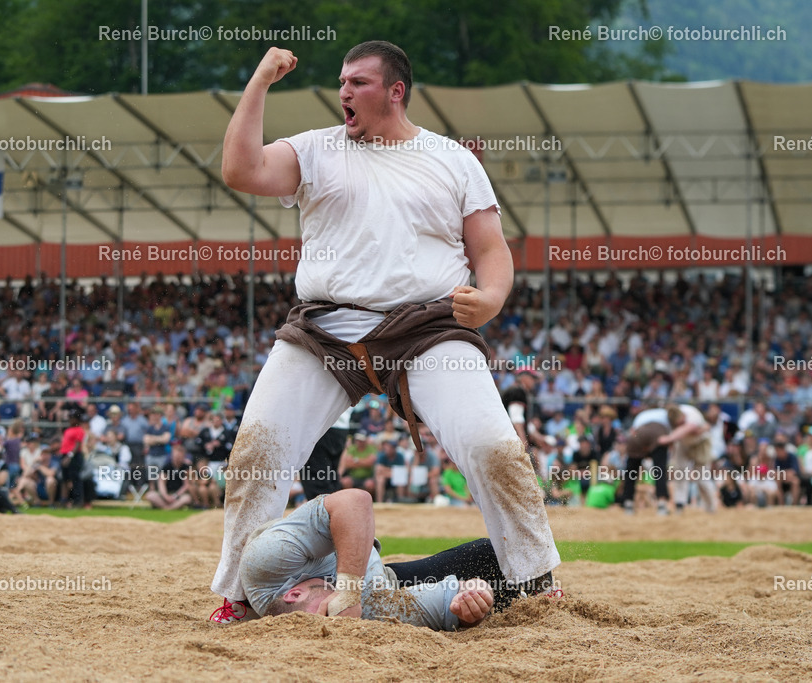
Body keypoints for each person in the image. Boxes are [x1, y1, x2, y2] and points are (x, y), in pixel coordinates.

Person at [211, 41, 560, 620]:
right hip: (324, 329)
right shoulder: (315, 149)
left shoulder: (452, 159)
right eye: (342, 82)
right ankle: (239, 596)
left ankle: (537, 583)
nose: (344, 91)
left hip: (427, 326)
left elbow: (492, 250)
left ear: (395, 91)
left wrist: (492, 298)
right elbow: (239, 170)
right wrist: (261, 82)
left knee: (490, 444)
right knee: (258, 449)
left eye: (359, 82)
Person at [226, 489, 538, 630]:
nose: (337, 622)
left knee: (499, 554)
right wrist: (472, 603)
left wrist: (346, 593)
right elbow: (455, 602)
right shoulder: (369, 614)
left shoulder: (265, 564)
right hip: (382, 584)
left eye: (324, 612)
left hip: (344, 562)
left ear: (294, 593)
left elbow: (355, 501)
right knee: (488, 560)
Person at [659, 404, 716, 513]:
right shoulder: (669, 420)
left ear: (683, 415)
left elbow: (688, 428)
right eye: (678, 424)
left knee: (702, 478)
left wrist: (668, 438)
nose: (680, 425)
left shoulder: (691, 413)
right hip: (683, 445)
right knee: (680, 473)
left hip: (700, 444)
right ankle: (679, 504)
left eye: (682, 422)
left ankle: (711, 507)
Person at [621, 408, 672, 515]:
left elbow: (632, 431)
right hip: (658, 435)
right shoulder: (665, 413)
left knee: (631, 471)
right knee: (660, 470)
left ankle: (628, 504)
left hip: (637, 435)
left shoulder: (641, 415)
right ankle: (662, 505)